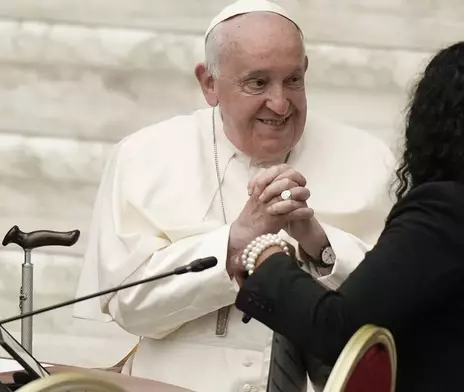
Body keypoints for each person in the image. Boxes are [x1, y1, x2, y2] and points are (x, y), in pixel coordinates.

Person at [233, 39, 464, 392]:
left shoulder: (446, 212)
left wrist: (263, 253)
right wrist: (316, 240)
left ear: (434, 126)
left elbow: (336, 330)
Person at [71, 1, 395, 391]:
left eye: (292, 80)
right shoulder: (143, 156)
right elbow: (129, 306)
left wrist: (321, 246)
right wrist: (234, 242)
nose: (279, 103)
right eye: (257, 83)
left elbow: (391, 305)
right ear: (209, 83)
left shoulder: (369, 159)